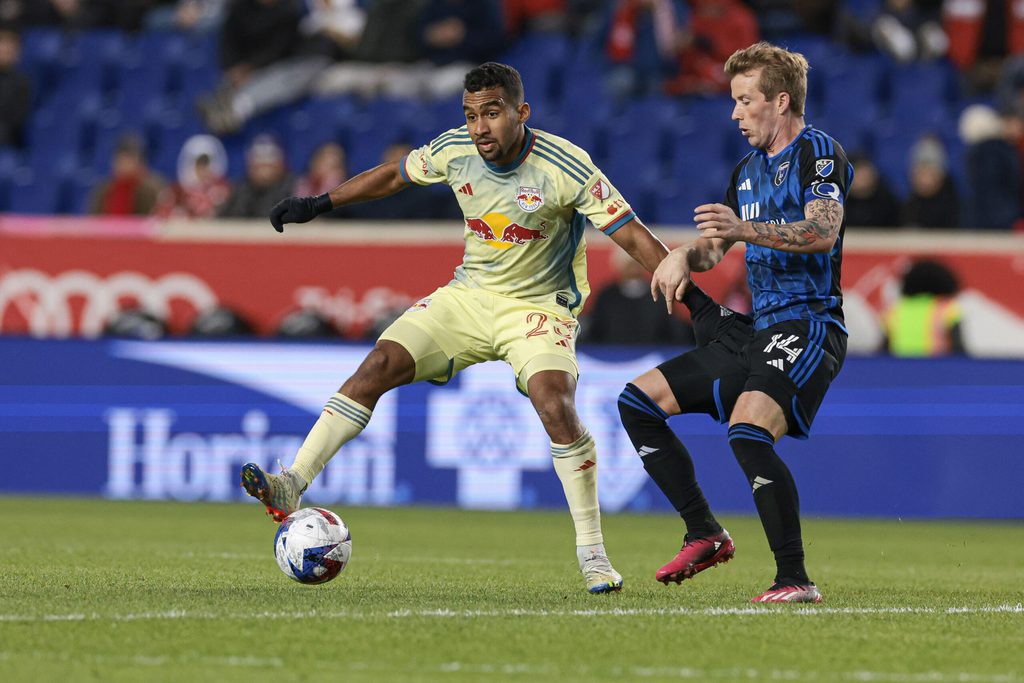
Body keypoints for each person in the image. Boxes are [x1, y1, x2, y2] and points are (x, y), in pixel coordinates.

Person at [241, 62, 671, 594]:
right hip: (468, 298)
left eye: (491, 113)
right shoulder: (454, 149)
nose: (480, 128)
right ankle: (292, 484)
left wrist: (691, 293)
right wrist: (320, 203)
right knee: (377, 364)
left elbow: (629, 234)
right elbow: (394, 175)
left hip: (538, 309)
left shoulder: (566, 165)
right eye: (471, 115)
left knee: (555, 404)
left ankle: (593, 555)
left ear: (521, 112)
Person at [619, 41, 852, 603]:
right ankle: (705, 532)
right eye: (734, 101)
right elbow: (715, 249)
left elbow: (822, 231)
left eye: (745, 100)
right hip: (758, 329)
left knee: (747, 432)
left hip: (810, 323)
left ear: (780, 101)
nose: (735, 112)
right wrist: (683, 255)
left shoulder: (820, 155)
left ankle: (794, 578)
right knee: (637, 402)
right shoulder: (746, 171)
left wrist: (743, 231)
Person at [580, 247, 695, 346]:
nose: (634, 270)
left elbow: (674, 328)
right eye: (629, 265)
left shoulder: (659, 295)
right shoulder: (607, 296)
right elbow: (595, 327)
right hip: (611, 358)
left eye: (637, 265)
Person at [884, 258, 965, 356]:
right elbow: (958, 349)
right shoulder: (947, 308)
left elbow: (884, 350)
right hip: (934, 366)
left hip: (899, 367)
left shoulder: (895, 309)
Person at [154, 134, 232, 219]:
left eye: (206, 163)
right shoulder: (177, 191)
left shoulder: (224, 191)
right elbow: (162, 216)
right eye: (199, 164)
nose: (203, 169)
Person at [219, 134, 295, 218]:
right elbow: (227, 219)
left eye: (269, 165)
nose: (264, 172)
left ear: (280, 165)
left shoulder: (292, 188)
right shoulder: (241, 188)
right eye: (259, 166)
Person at [90, 133, 166, 216]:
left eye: (128, 160)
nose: (123, 165)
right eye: (120, 160)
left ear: (140, 162)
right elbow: (94, 221)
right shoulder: (103, 190)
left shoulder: (152, 189)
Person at [901, 134, 960, 229]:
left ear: (940, 175)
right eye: (920, 172)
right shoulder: (909, 207)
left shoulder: (956, 209)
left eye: (929, 171)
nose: (924, 178)